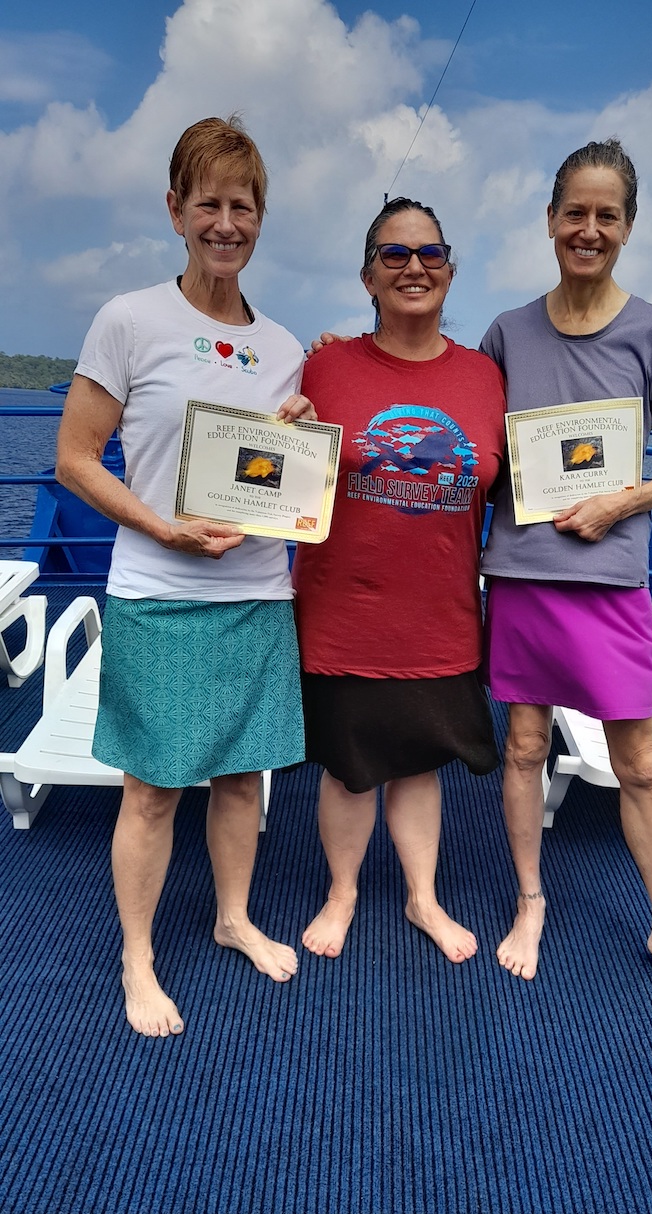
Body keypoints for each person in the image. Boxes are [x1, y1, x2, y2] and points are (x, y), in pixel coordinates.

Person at [56, 116, 315, 1038]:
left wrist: (298, 436)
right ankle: (138, 954)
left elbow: (285, 474)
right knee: (153, 788)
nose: (225, 221)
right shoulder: (129, 320)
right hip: (159, 596)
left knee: (243, 780)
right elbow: (77, 460)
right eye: (207, 202)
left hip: (255, 594)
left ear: (260, 218)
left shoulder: (285, 348)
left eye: (242, 205)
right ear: (176, 209)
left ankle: (233, 915)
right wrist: (164, 526)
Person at [481, 138, 652, 1020]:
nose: (588, 229)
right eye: (573, 213)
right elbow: (474, 441)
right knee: (525, 747)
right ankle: (530, 902)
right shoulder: (507, 331)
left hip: (610, 582)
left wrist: (622, 503)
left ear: (626, 226)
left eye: (605, 216)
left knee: (640, 764)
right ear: (550, 221)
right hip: (524, 575)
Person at [292, 197, 506, 963]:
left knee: (419, 762)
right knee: (350, 770)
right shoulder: (322, 365)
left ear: (450, 269)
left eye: (431, 253)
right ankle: (342, 892)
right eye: (394, 254)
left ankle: (422, 898)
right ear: (367, 276)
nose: (414, 267)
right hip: (344, 608)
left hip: (441, 613)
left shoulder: (487, 377)